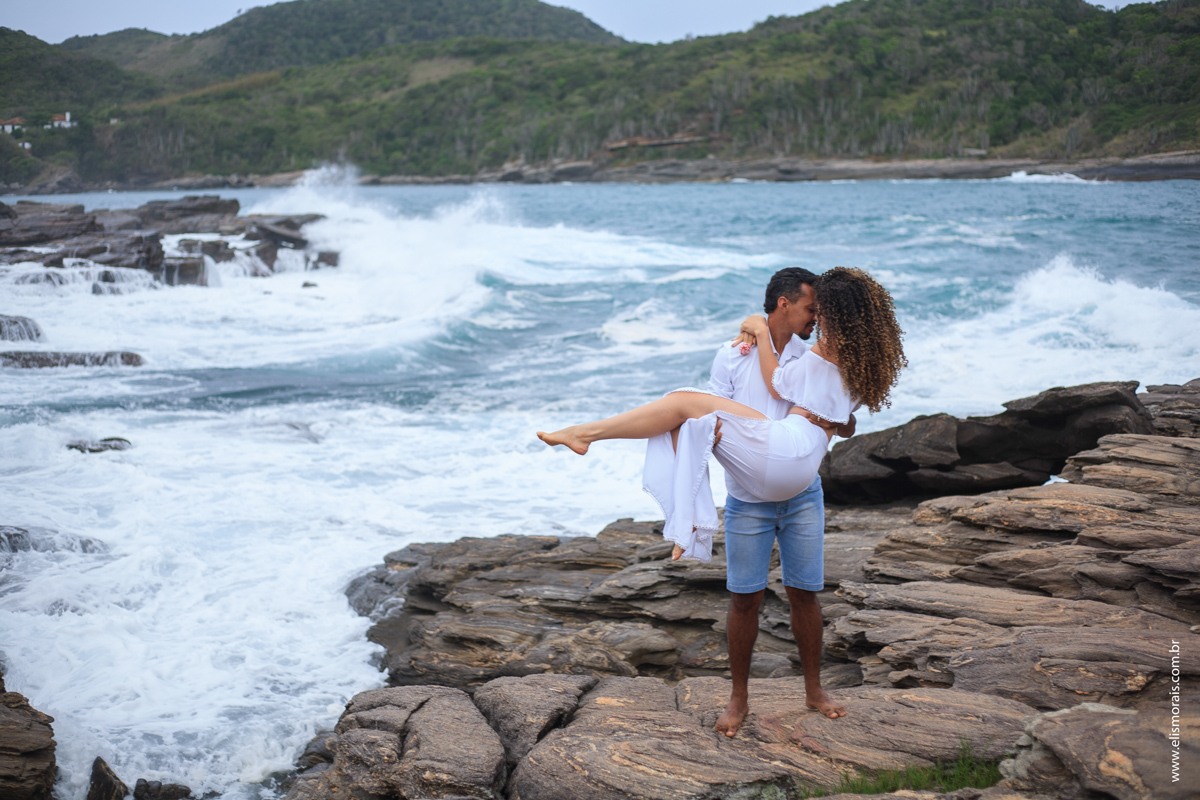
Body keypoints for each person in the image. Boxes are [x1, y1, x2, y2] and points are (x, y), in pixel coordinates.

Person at [536, 266, 907, 734]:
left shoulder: (814, 352)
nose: (817, 318)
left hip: (798, 481)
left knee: (804, 594)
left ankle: (813, 688)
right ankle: (737, 697)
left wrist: (759, 331)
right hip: (751, 491)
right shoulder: (735, 356)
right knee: (743, 597)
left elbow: (811, 401)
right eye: (811, 309)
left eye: (823, 311)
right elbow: (742, 413)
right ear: (784, 304)